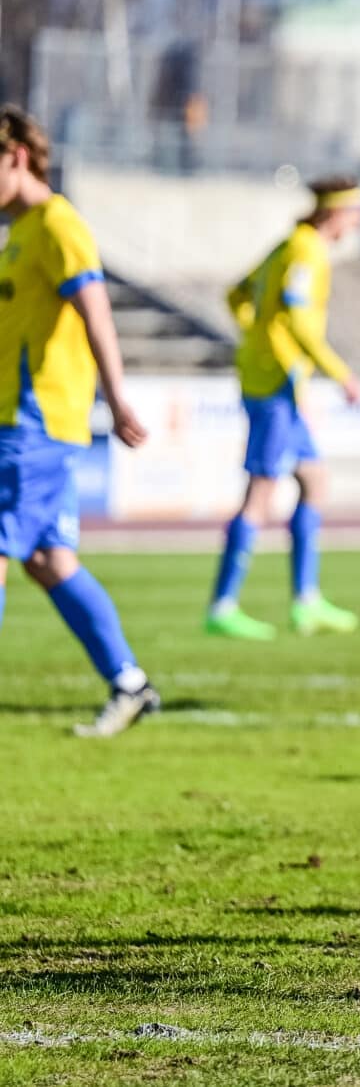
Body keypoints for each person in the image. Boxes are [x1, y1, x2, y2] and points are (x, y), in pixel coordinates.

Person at [0, 104, 159, 736]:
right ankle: (130, 684)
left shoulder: (58, 224)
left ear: (16, 157)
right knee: (49, 560)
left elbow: (95, 308)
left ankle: (130, 683)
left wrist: (117, 398)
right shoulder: (19, 232)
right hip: (25, 419)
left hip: (34, 422)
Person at [204, 176, 360, 641]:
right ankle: (223, 604)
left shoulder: (287, 246)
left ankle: (306, 601)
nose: (357, 220)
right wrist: (342, 375)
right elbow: (297, 321)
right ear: (335, 213)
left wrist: (254, 337)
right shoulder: (306, 251)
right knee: (261, 491)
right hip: (275, 384)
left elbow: (236, 294)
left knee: (313, 480)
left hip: (276, 380)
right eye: (355, 211)